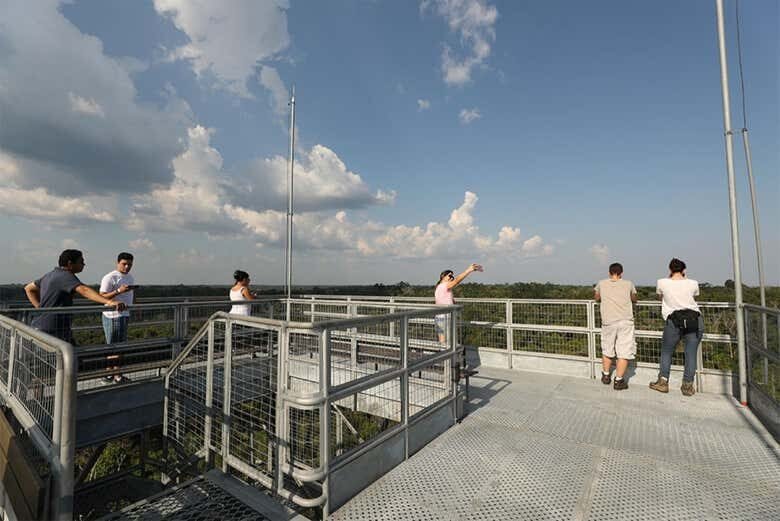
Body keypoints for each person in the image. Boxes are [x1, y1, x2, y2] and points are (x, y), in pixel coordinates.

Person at [24, 249, 126, 343]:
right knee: (68, 359)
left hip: (42, 326)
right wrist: (109, 302)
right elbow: (84, 290)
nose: (84, 264)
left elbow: (28, 288)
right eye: (81, 262)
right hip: (53, 329)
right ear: (70, 263)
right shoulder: (65, 276)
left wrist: (40, 308)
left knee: (69, 358)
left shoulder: (51, 274)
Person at [650, 258, 703, 396]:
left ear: (670, 270)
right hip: (694, 320)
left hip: (673, 320)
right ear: (684, 270)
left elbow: (660, 297)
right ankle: (687, 386)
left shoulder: (662, 282)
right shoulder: (693, 283)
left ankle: (663, 382)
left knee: (667, 352)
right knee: (690, 353)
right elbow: (693, 297)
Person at [594, 262, 637, 390]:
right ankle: (618, 380)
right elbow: (634, 298)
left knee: (607, 348)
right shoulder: (629, 284)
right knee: (623, 351)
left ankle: (606, 375)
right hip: (625, 321)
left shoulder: (601, 283)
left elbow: (597, 298)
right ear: (621, 273)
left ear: (609, 272)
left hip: (608, 321)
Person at [434, 263, 483, 343]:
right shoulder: (444, 285)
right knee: (449, 342)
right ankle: (450, 355)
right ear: (443, 277)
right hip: (446, 317)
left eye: (452, 276)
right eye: (450, 276)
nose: (451, 278)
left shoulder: (439, 287)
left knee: (442, 341)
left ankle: (443, 354)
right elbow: (457, 281)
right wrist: (469, 270)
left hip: (439, 317)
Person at [99, 252, 136, 344]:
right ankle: (112, 358)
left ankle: (118, 358)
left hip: (125, 314)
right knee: (114, 345)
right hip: (113, 315)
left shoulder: (130, 277)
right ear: (117, 263)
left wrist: (135, 308)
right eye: (124, 264)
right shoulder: (110, 277)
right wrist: (119, 291)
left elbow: (131, 294)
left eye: (129, 264)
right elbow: (101, 296)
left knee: (121, 344)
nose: (127, 267)